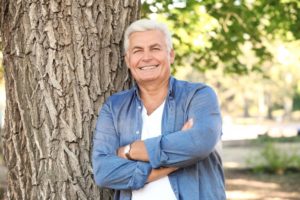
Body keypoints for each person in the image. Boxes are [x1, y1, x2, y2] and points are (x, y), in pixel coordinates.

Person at [92, 19, 226, 200]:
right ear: (128, 60)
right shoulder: (114, 107)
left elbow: (200, 143)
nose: (146, 57)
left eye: (155, 48)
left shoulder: (198, 96)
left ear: (170, 55)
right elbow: (103, 172)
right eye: (138, 50)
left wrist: (129, 151)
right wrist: (177, 161)